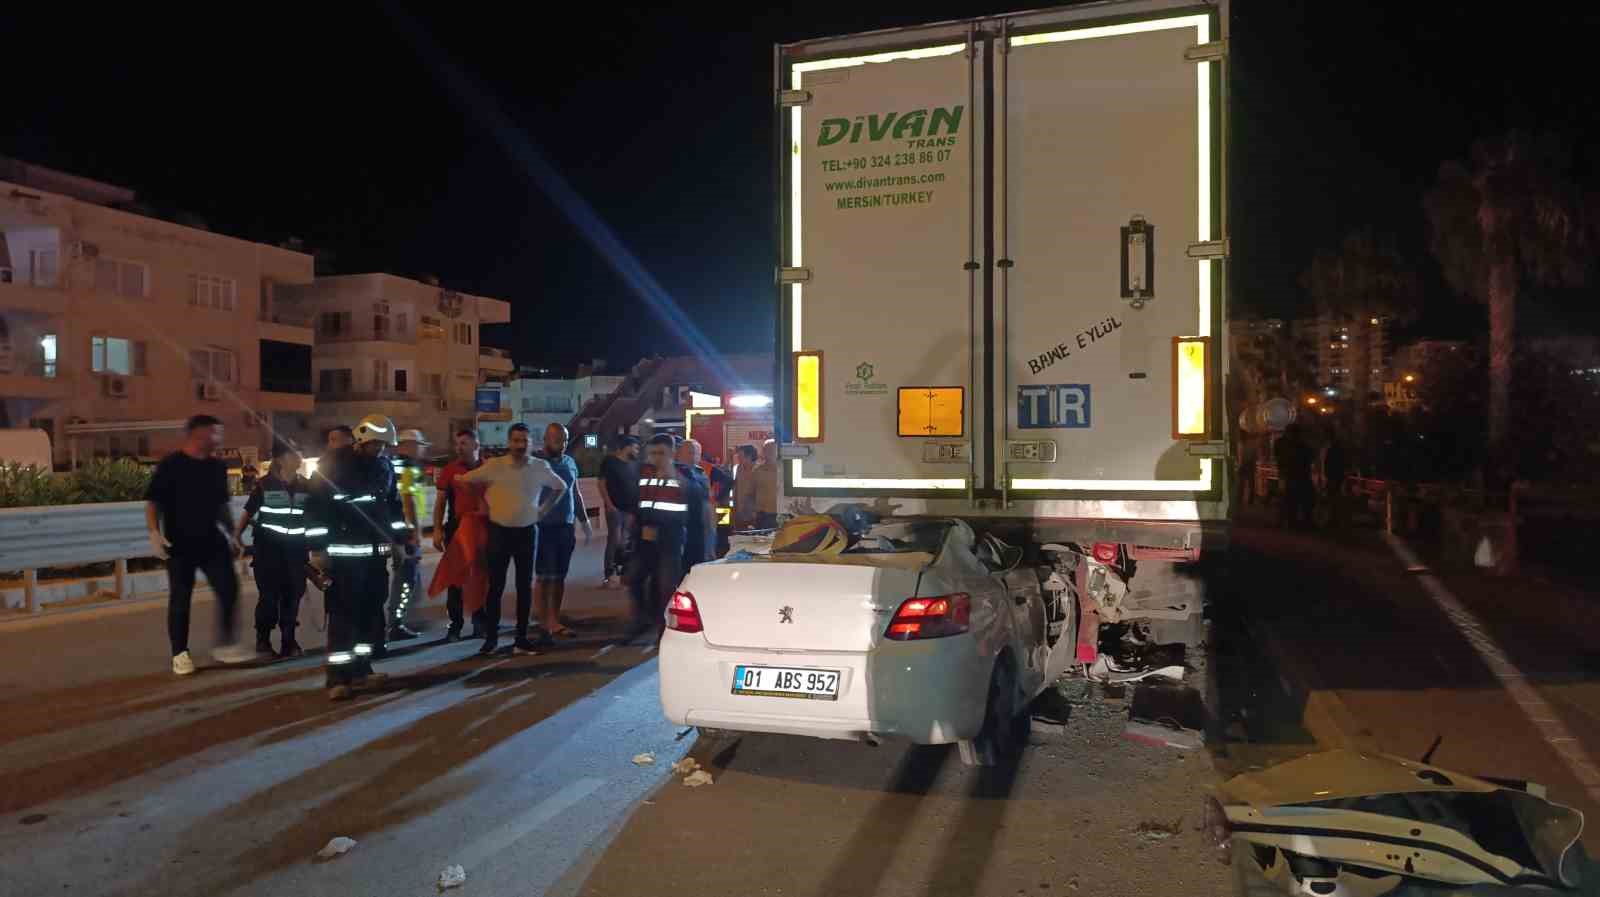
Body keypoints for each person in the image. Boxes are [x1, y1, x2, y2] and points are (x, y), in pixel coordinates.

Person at [305, 414, 403, 700]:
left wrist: (400, 541)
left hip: (375, 557)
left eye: (384, 445)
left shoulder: (384, 467)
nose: (380, 449)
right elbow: (315, 509)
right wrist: (318, 549)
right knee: (343, 616)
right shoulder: (333, 465)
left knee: (370, 612)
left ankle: (362, 669)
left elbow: (393, 507)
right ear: (361, 439)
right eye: (376, 444)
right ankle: (337, 677)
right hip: (343, 556)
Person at [145, 415, 252, 675]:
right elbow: (153, 502)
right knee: (181, 597)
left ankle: (225, 645)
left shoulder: (217, 467)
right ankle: (180, 654)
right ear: (199, 434)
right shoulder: (171, 464)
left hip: (211, 540)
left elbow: (221, 506)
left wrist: (233, 534)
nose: (219, 438)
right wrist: (154, 533)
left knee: (229, 589)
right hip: (179, 542)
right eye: (216, 433)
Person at [459, 422, 567, 656]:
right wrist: (482, 503)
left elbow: (561, 487)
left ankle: (521, 638)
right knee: (495, 587)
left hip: (527, 532)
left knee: (524, 587)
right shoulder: (495, 466)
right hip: (499, 532)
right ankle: (491, 639)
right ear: (509, 442)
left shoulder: (539, 466)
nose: (520, 445)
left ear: (531, 443)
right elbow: (464, 480)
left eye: (524, 441)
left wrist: (543, 510)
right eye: (516, 440)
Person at [234, 441, 311, 658]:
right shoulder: (264, 485)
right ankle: (263, 641)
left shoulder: (306, 485)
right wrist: (237, 536)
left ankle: (289, 641)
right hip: (268, 550)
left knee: (293, 596)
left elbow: (313, 515)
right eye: (294, 454)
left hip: (296, 550)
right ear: (281, 459)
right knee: (269, 597)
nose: (299, 457)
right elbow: (248, 512)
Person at [628, 434, 692, 643]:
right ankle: (643, 620)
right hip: (645, 538)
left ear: (672, 453)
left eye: (661, 453)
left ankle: (665, 632)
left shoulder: (683, 476)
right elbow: (637, 502)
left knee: (666, 587)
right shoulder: (644, 473)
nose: (656, 457)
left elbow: (692, 506)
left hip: (670, 539)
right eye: (653, 453)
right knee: (634, 578)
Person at [534, 423, 593, 640]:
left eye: (565, 439)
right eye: (558, 439)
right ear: (546, 439)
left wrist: (584, 521)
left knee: (559, 576)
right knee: (544, 577)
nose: (562, 443)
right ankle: (543, 621)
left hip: (565, 527)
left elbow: (575, 492)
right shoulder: (537, 464)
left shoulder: (569, 462)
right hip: (543, 527)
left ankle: (554, 619)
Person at [431, 429, 489, 641]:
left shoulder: (489, 469)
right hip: (458, 529)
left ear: (476, 445)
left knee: (481, 577)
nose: (459, 448)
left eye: (464, 443)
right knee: (455, 579)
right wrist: (437, 530)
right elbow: (440, 503)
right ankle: (455, 626)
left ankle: (480, 622)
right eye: (457, 444)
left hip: (484, 529)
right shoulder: (450, 470)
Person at [384, 429, 430, 645]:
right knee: (406, 578)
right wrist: (415, 532)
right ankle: (395, 623)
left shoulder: (392, 465)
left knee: (404, 575)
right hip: (405, 532)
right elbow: (407, 500)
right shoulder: (408, 467)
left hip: (396, 530)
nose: (422, 449)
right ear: (408, 445)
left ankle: (395, 621)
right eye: (419, 445)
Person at [598, 435, 641, 588]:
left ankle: (622, 572)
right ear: (627, 447)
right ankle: (609, 574)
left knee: (625, 541)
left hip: (630, 509)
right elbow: (601, 484)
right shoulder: (610, 462)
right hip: (615, 508)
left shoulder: (635, 464)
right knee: (614, 540)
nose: (637, 451)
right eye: (635, 448)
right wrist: (609, 505)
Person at [676, 438, 716, 566]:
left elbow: (708, 504)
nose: (694, 456)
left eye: (697, 453)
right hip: (680, 528)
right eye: (690, 452)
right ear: (679, 453)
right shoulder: (673, 473)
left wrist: (711, 536)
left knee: (699, 565)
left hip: (699, 528)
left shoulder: (701, 474)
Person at [1275, 423, 1315, 529]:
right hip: (1296, 477)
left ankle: (1294, 521)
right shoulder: (1299, 446)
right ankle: (1295, 521)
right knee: (1294, 500)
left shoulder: (1286, 445)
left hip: (1293, 477)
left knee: (1292, 500)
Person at [731, 444, 761, 530]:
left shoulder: (759, 470)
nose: (738, 459)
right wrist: (734, 510)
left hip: (755, 516)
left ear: (749, 456)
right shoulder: (738, 469)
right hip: (739, 515)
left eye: (741, 456)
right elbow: (736, 490)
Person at [753, 439, 781, 529]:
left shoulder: (784, 470)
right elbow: (752, 492)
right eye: (767, 450)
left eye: (772, 450)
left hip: (780, 513)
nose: (770, 453)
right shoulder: (757, 471)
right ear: (763, 452)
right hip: (762, 514)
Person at [1323, 432, 1348, 528]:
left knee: (1333, 498)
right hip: (1337, 477)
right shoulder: (1340, 451)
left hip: (1333, 477)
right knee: (1335, 497)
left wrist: (1327, 475)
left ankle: (1334, 518)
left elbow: (1327, 464)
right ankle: (1335, 518)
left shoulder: (1331, 451)